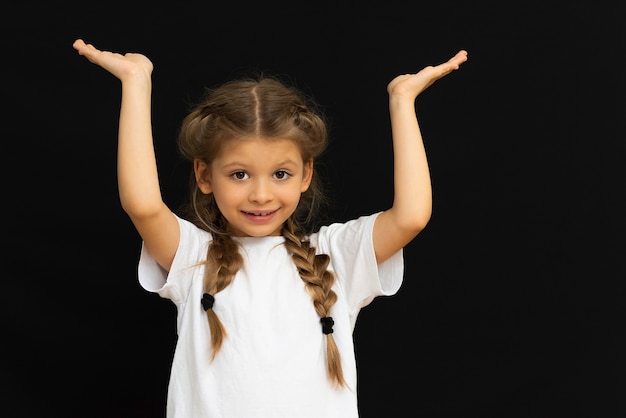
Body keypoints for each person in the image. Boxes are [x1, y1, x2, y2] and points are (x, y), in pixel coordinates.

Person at [72, 38, 467, 418]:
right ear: (204, 175)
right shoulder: (194, 257)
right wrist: (136, 82)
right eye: (240, 174)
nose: (261, 194)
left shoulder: (335, 256)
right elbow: (142, 205)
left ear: (305, 174)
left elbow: (411, 215)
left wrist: (402, 100)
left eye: (280, 173)